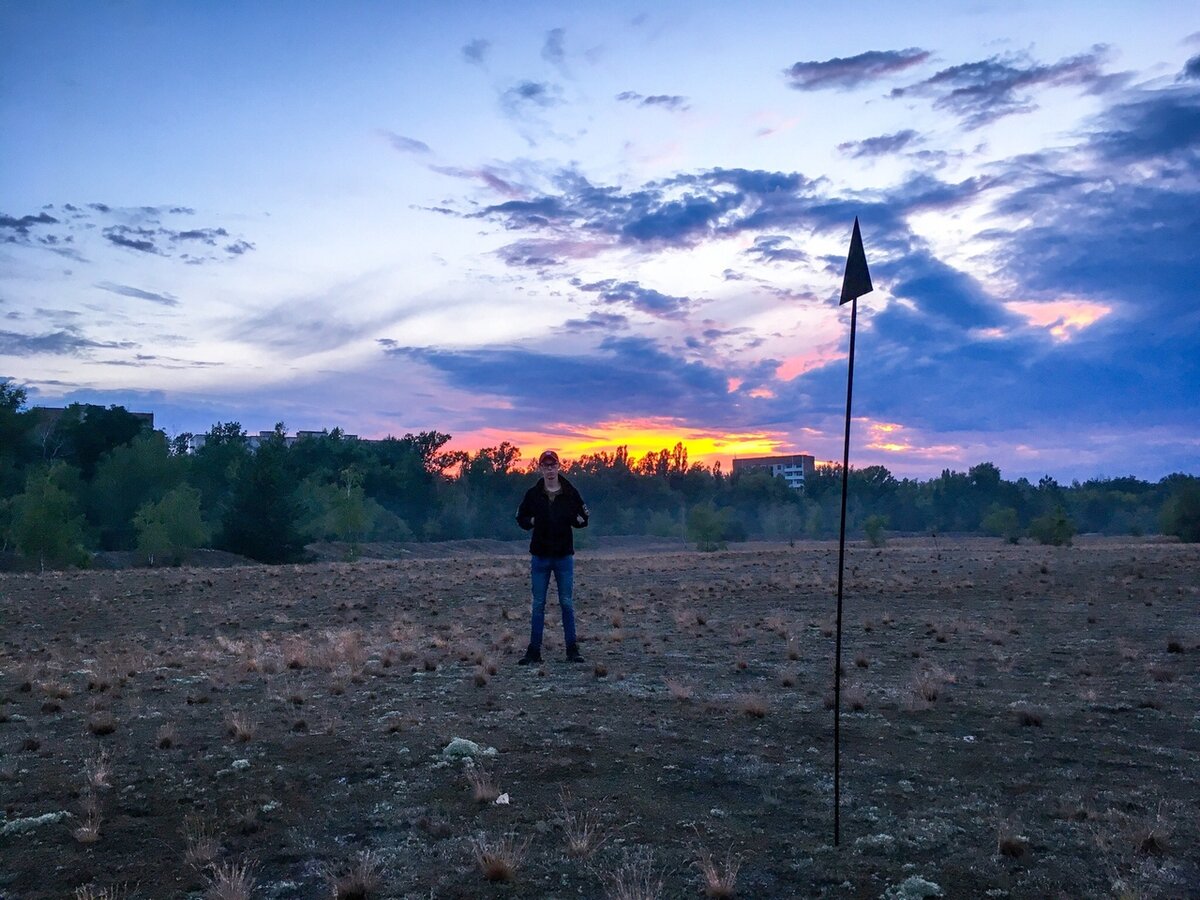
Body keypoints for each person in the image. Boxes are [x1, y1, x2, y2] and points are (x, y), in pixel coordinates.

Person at [515, 449, 589, 664]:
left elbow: (583, 518)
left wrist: (577, 520)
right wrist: (532, 522)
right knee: (538, 604)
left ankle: (572, 650)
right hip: (540, 557)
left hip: (564, 556)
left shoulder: (570, 492)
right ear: (540, 468)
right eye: (545, 465)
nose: (549, 469)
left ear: (558, 466)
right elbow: (521, 517)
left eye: (552, 465)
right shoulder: (533, 494)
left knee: (566, 602)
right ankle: (534, 652)